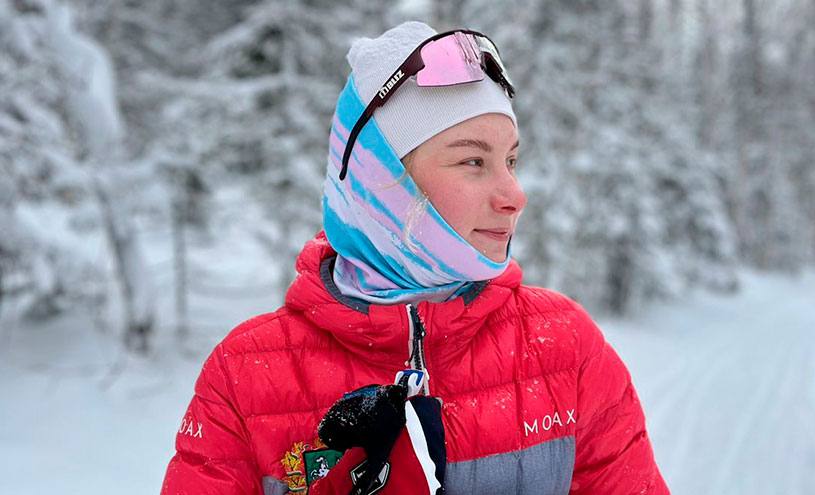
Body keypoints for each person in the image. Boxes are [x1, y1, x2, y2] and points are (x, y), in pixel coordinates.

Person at [161, 21, 669, 495]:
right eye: (474, 161)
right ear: (381, 179)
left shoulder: (564, 346)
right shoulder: (246, 373)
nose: (514, 193)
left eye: (511, 160)